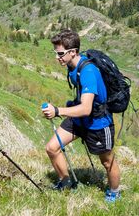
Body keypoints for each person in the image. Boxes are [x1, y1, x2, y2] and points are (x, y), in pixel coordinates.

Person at [42, 29, 122, 202]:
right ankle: (66, 182)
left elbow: (86, 108)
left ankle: (114, 192)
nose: (57, 57)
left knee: (107, 162)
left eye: (60, 53)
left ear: (73, 52)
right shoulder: (72, 67)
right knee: (52, 148)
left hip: (99, 123)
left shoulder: (88, 72)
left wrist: (57, 111)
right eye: (56, 53)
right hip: (80, 120)